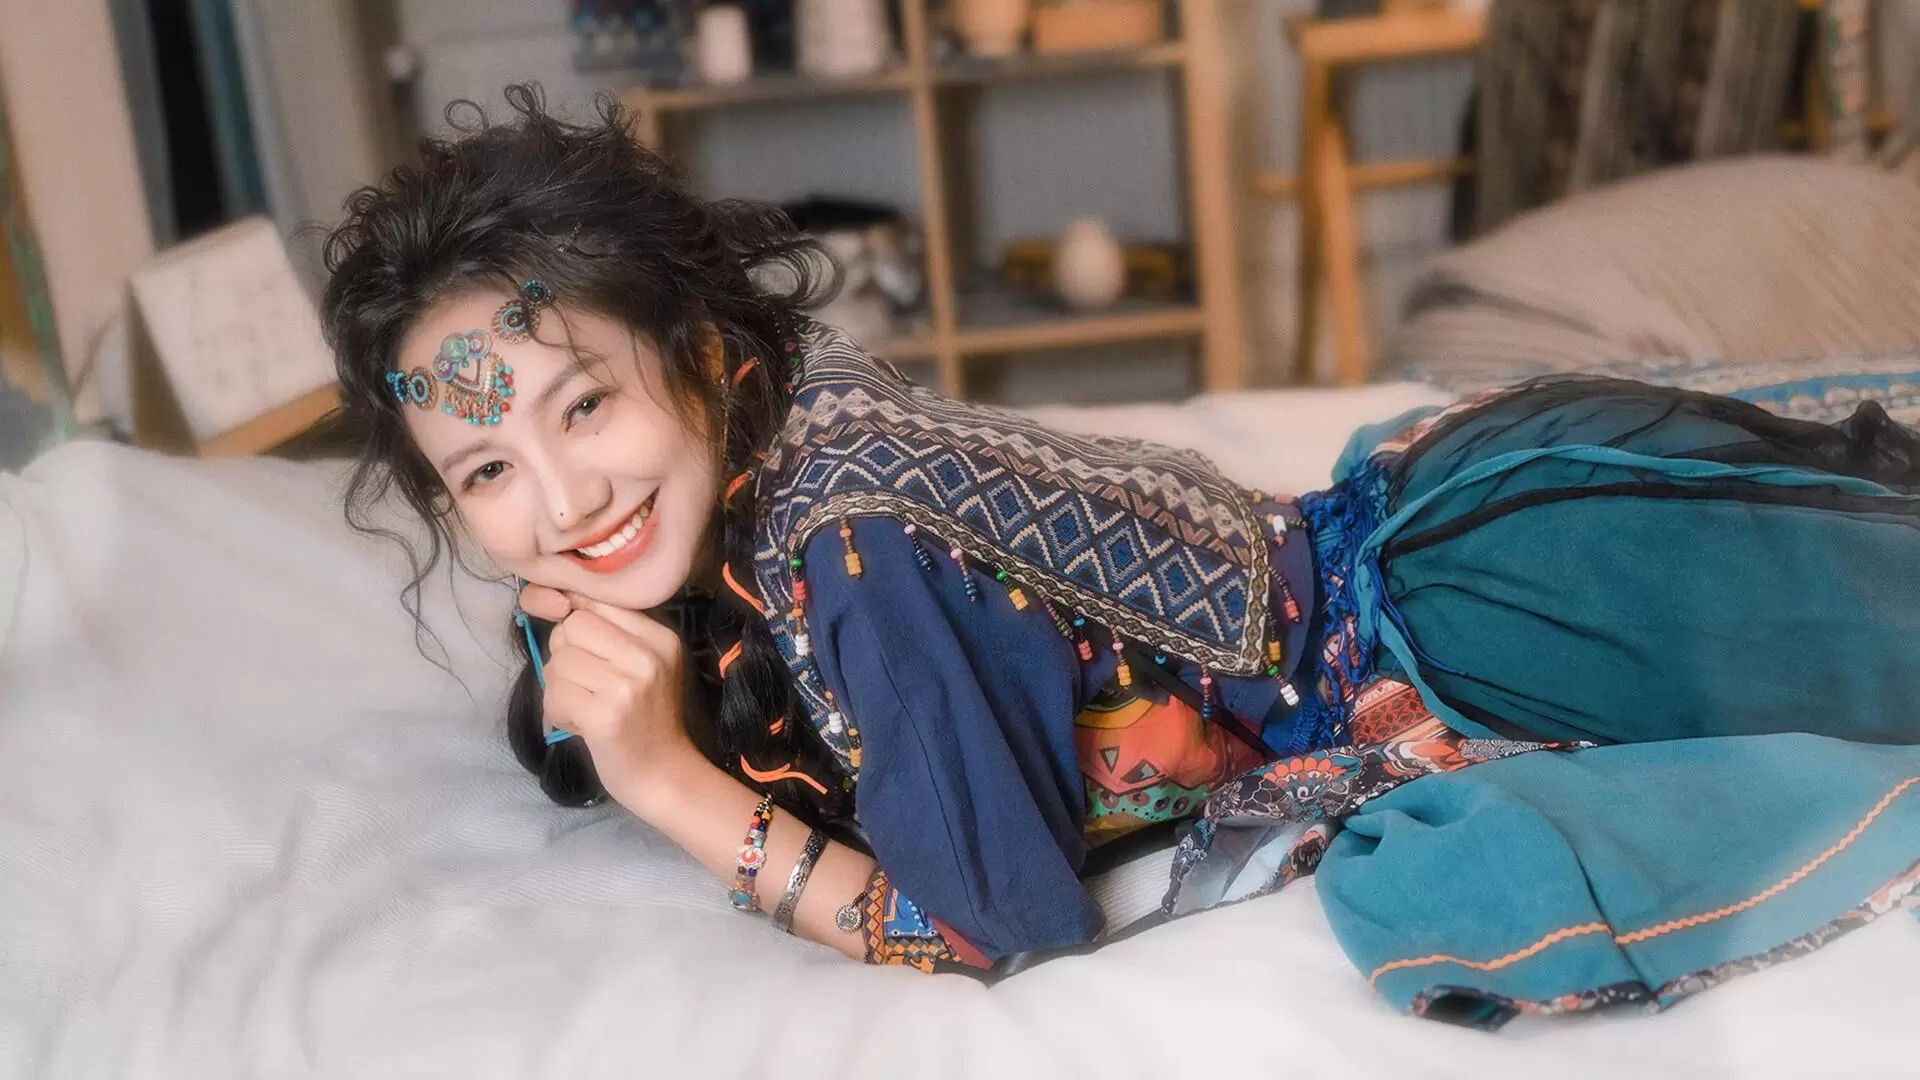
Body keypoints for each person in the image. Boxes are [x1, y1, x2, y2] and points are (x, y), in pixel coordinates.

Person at [321, 87, 1920, 1027]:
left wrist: (673, 783)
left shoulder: (854, 546)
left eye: (586, 403)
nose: (563, 502)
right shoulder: (725, 490)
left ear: (700, 356)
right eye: (487, 470)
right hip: (1456, 563)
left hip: (1500, 592)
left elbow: (994, 929)